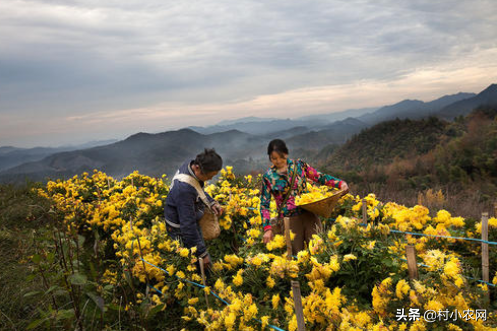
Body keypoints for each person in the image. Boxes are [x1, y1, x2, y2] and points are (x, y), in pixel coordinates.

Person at [260, 139, 348, 254]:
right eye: (274, 158)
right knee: (297, 256)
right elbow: (264, 204)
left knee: (319, 251)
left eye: (281, 157)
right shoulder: (268, 177)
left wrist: (340, 184)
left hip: (309, 214)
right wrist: (267, 229)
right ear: (270, 158)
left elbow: (319, 177)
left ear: (286, 153)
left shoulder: (299, 166)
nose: (278, 161)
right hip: (289, 220)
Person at [164, 149, 223, 270]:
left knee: (196, 257)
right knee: (197, 265)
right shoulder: (184, 190)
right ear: (198, 169)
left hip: (186, 217)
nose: (211, 179)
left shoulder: (190, 165)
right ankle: (203, 283)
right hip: (179, 228)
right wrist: (201, 254)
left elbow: (196, 188)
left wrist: (211, 202)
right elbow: (187, 226)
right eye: (209, 176)